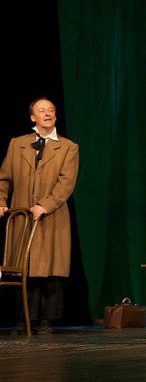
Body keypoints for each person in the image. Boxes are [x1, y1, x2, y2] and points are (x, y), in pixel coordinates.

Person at [0, 97, 79, 334]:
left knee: (49, 270)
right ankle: (23, 319)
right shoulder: (18, 144)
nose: (47, 113)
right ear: (33, 117)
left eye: (51, 110)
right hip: (23, 217)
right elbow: (4, 177)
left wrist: (45, 205)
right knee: (25, 267)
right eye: (42, 110)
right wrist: (1, 200)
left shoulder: (68, 147)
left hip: (51, 216)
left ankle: (47, 320)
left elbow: (66, 183)